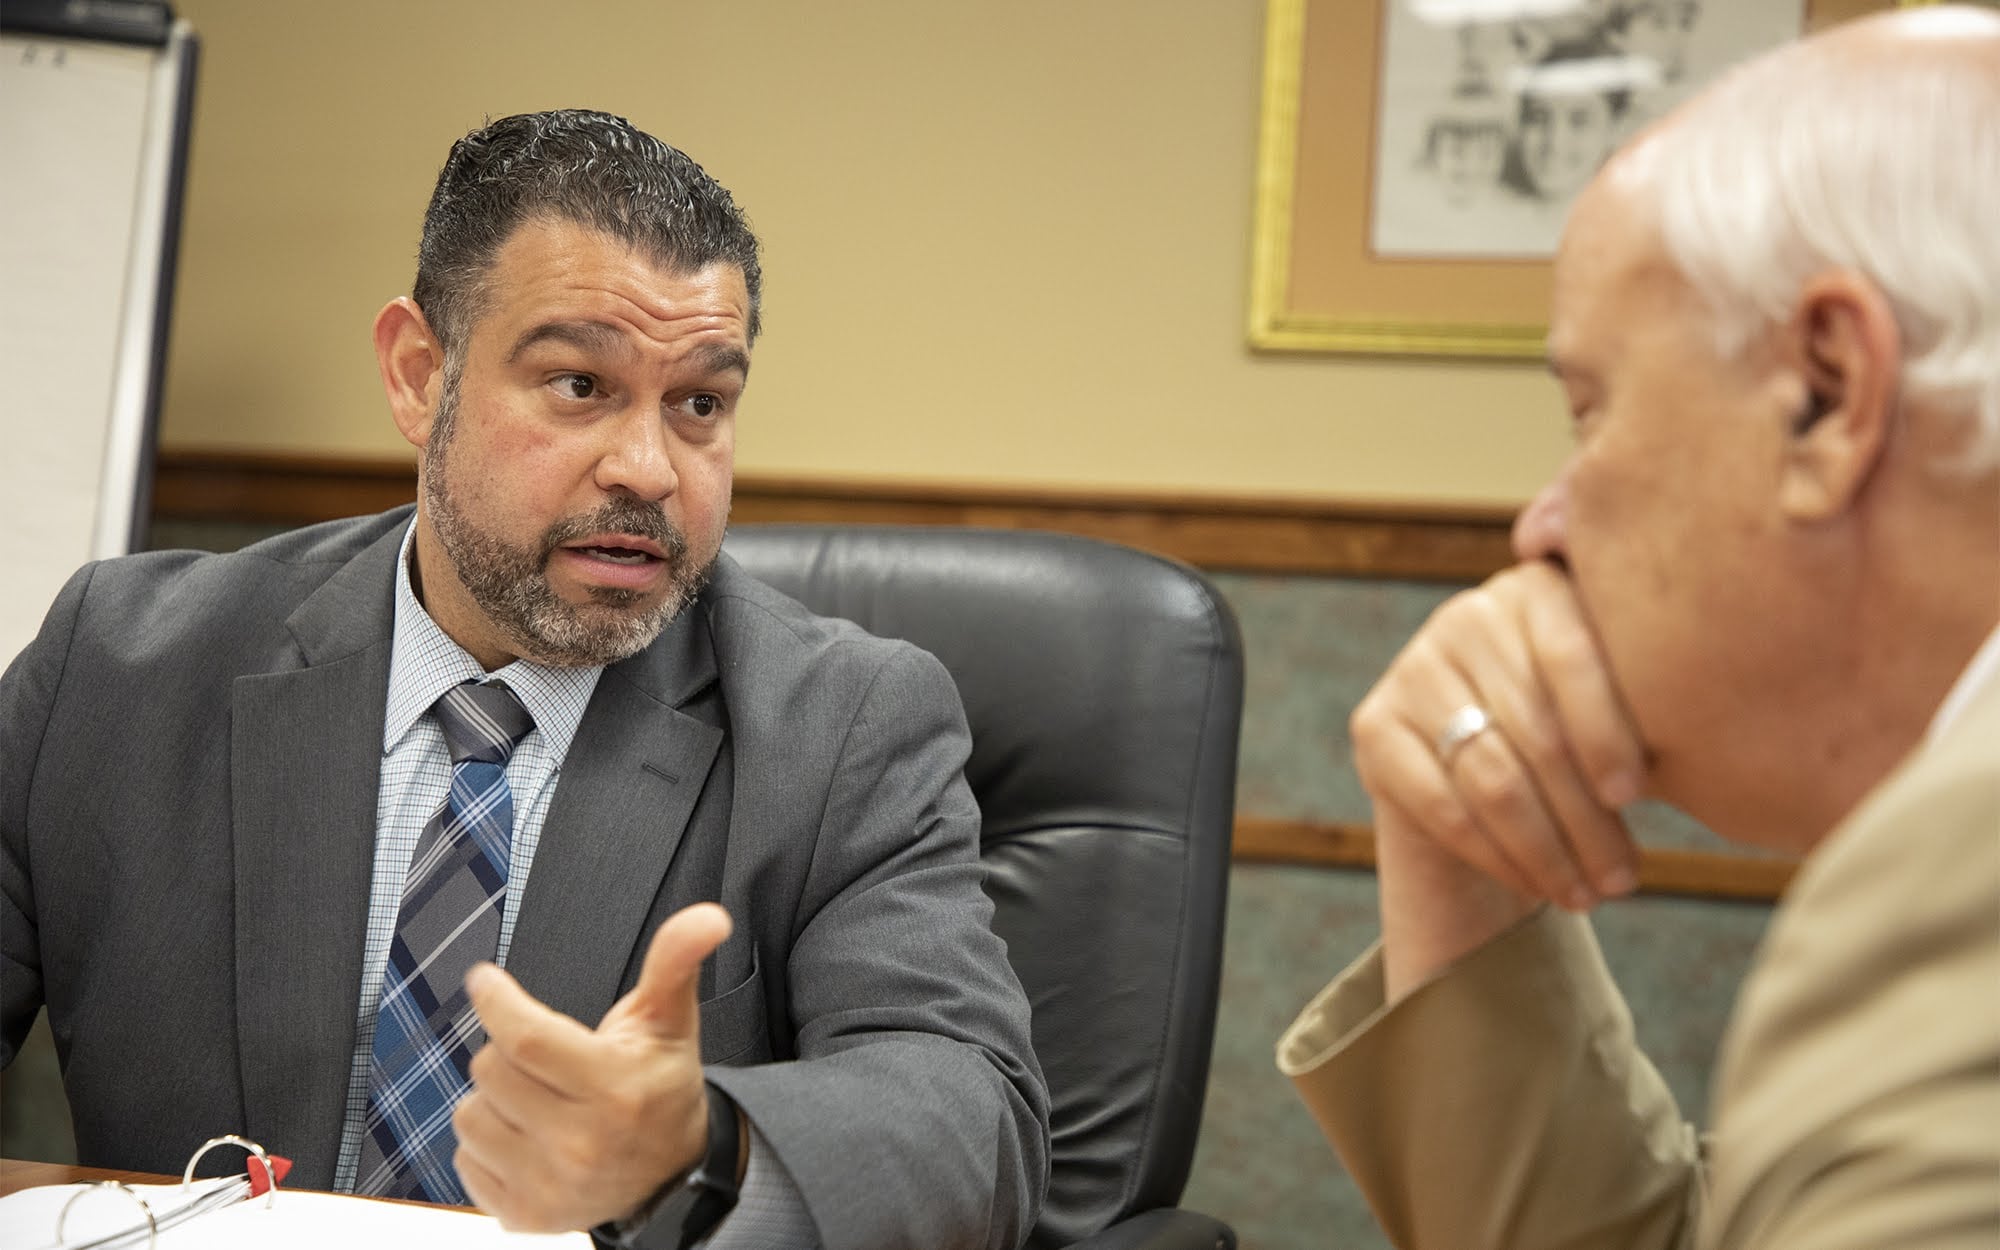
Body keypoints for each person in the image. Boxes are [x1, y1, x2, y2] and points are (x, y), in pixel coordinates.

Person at [0, 109, 1049, 1250]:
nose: (646, 467)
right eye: (578, 384)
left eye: (700, 402)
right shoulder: (119, 667)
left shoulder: (842, 724)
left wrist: (703, 1138)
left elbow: (972, 1122)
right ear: (417, 375)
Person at [1278, 8, 1998, 1248]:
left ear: (1824, 393)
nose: (1537, 524)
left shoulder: (1956, 859)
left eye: (1588, 409)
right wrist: (1462, 865)